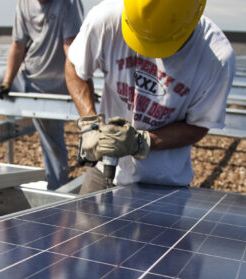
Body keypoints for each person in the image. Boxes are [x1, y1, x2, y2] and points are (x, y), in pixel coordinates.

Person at [65, 0, 235, 193]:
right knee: (86, 222)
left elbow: (198, 126)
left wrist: (141, 141)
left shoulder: (216, 58)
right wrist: (90, 125)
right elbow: (74, 67)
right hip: (104, 167)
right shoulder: (107, 19)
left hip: (163, 183)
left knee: (155, 223)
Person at [0, 0, 84, 190]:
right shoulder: (24, 4)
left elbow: (71, 45)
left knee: (52, 144)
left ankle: (58, 191)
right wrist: (7, 82)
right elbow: (18, 45)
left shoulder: (67, 3)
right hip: (25, 75)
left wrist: (81, 82)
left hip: (51, 85)